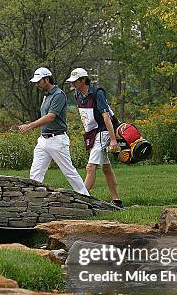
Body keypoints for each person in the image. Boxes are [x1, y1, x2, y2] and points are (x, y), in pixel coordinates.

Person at [18, 67, 90, 196]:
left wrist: (30, 126)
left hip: (57, 140)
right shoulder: (47, 96)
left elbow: (51, 117)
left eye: (39, 81)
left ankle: (85, 197)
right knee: (35, 173)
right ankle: (33, 199)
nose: (37, 85)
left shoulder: (58, 95)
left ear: (46, 79)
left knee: (69, 172)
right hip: (43, 140)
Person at [66, 67, 123, 208]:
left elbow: (106, 117)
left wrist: (113, 139)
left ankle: (81, 201)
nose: (73, 84)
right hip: (93, 133)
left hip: (103, 130)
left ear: (83, 80)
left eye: (75, 81)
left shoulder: (98, 93)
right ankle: (117, 201)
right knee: (106, 168)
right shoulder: (77, 94)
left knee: (91, 167)